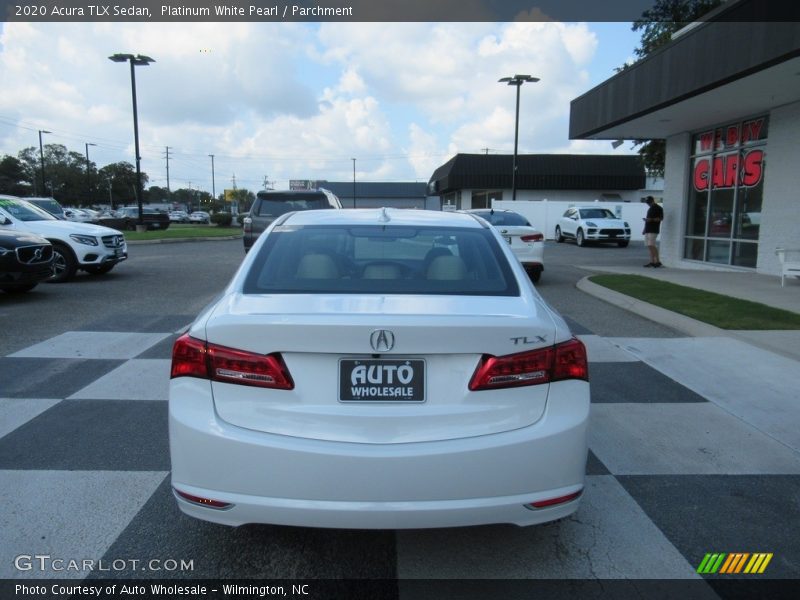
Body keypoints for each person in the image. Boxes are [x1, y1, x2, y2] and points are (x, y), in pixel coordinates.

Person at [643, 196, 664, 267]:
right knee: (649, 246)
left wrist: (651, 220)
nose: (648, 204)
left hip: (653, 229)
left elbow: (660, 218)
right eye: (647, 203)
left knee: (652, 245)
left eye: (649, 202)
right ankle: (652, 261)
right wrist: (644, 229)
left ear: (652, 201)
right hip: (648, 229)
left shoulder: (658, 208)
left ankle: (657, 261)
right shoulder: (650, 209)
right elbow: (647, 219)